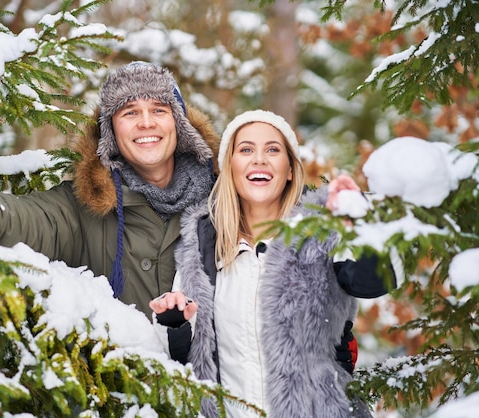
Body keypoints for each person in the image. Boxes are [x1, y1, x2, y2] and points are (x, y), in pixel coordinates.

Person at [0, 63, 358, 369]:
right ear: (111, 131)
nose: (147, 123)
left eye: (159, 109)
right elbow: (31, 217)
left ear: (180, 123)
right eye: (130, 112)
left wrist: (334, 327)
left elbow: (300, 235)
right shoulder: (86, 204)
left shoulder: (227, 193)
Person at [149, 110, 396, 418]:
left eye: (273, 150)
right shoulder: (201, 246)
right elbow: (187, 362)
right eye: (246, 150)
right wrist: (175, 322)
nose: (259, 160)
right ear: (230, 167)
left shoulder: (322, 232)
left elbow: (374, 281)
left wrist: (361, 223)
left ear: (290, 170)